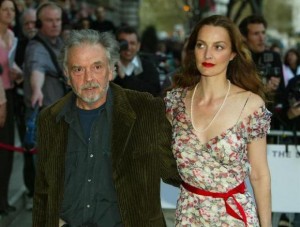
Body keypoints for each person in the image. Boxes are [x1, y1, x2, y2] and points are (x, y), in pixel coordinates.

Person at [33, 29, 181, 227]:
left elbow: (177, 171)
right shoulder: (50, 119)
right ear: (67, 76)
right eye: (78, 69)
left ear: (111, 70)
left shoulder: (145, 110)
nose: (88, 78)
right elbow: (44, 192)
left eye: (97, 67)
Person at [164, 15, 272, 226]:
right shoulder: (175, 102)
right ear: (193, 49)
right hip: (188, 217)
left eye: (218, 47)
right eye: (201, 45)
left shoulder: (250, 105)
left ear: (233, 54)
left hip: (234, 217)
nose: (208, 54)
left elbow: (259, 174)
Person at [239, 15, 284, 130]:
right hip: (242, 123)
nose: (262, 38)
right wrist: (263, 91)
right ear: (244, 37)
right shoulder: (237, 60)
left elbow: (282, 93)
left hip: (270, 121)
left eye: (263, 33)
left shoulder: (274, 57)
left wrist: (273, 91)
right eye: (256, 34)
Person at [0, 0, 23, 216]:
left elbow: (11, 65)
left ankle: (3, 200)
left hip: (8, 95)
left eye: (12, 10)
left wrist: (19, 74)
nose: (9, 13)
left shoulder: (12, 37)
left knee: (6, 152)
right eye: (5, 9)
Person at [14, 8, 37, 211]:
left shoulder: (49, 44)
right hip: (25, 107)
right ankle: (32, 192)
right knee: (29, 149)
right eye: (26, 24)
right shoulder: (18, 46)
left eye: (33, 23)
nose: (30, 27)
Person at [23, 2, 65, 111]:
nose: (55, 24)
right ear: (39, 24)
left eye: (58, 19)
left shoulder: (60, 42)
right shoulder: (36, 47)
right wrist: (37, 89)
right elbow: (37, 68)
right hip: (44, 113)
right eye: (49, 20)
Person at [114, 25, 161, 96]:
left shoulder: (148, 66)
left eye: (132, 43)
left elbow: (154, 93)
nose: (128, 47)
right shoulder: (109, 67)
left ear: (138, 46)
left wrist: (125, 77)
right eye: (124, 43)